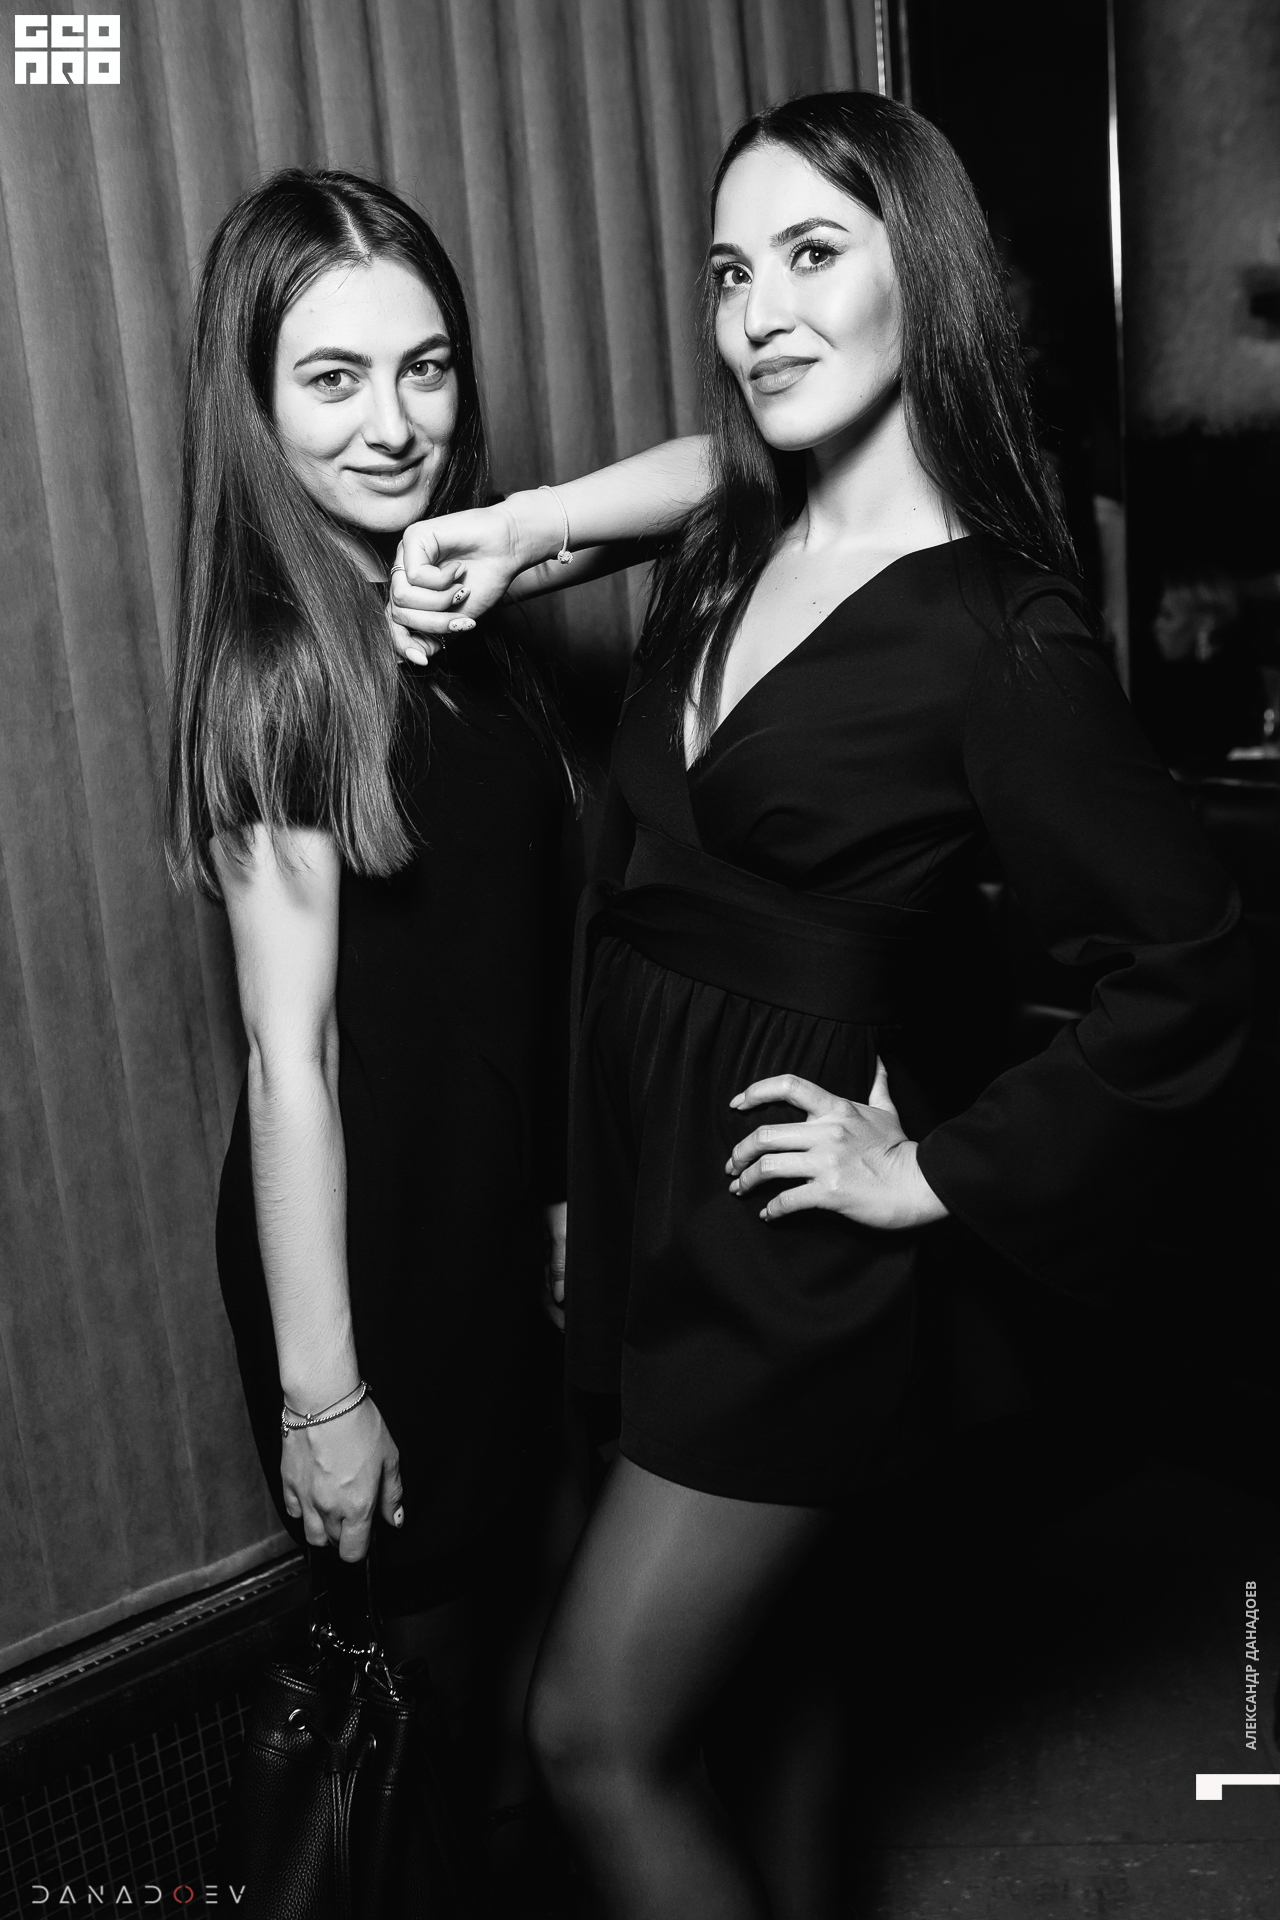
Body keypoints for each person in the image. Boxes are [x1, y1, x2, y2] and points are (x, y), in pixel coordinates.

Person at [389, 94, 1253, 1917]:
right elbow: (698, 470)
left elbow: (1191, 960)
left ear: (919, 273)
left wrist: (931, 1171)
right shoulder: (733, 536)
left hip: (792, 1242)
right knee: (766, 1706)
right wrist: (523, 527)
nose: (759, 312)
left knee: (595, 1734)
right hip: (647, 1194)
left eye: (811, 254)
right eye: (730, 271)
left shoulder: (998, 631)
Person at [163, 168, 707, 1834]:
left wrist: (524, 530)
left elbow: (732, 474)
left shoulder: (455, 597)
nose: (395, 424)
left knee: (515, 1703)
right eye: (333, 378)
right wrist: (325, 1396)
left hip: (492, 1220)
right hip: (375, 1258)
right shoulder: (281, 668)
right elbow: (292, 1058)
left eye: (427, 366)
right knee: (430, 1741)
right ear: (255, 406)